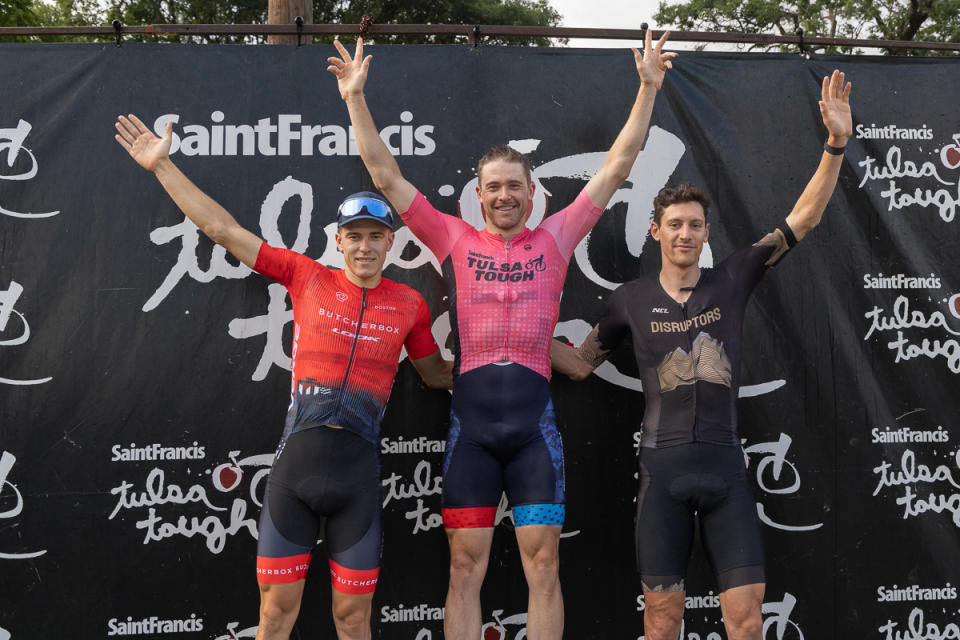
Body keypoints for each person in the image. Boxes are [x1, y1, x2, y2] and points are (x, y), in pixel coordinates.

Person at [326, 30, 677, 639]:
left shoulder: (557, 238)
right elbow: (384, 175)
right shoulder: (453, 240)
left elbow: (620, 164)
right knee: (464, 569)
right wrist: (356, 97)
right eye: (494, 186)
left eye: (516, 185)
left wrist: (647, 88)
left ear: (532, 193)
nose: (505, 195)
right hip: (471, 434)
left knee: (545, 565)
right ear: (479, 195)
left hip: (534, 430)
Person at [114, 114, 452, 640]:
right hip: (295, 475)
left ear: (391, 245)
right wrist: (162, 166)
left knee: (354, 619)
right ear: (338, 242)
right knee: (274, 618)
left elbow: (436, 376)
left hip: (357, 481)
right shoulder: (306, 276)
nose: (365, 247)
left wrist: (514, 360)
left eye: (376, 237)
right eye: (354, 236)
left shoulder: (409, 305)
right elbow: (222, 230)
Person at [549, 70, 853, 640]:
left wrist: (836, 145)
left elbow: (804, 219)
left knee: (746, 621)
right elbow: (581, 364)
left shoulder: (732, 279)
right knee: (662, 621)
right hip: (661, 476)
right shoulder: (627, 301)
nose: (685, 234)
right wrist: (523, 333)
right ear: (656, 232)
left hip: (724, 475)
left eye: (694, 225)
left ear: (706, 231)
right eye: (674, 225)